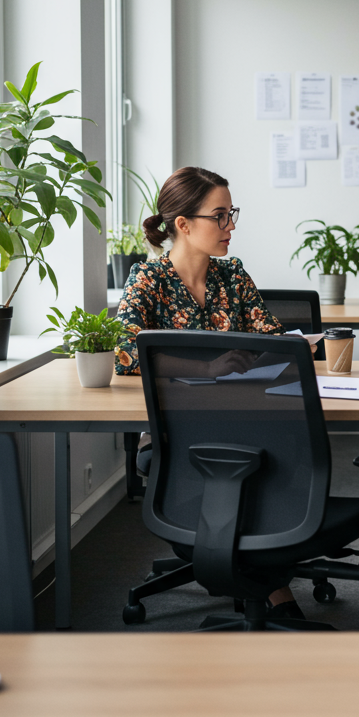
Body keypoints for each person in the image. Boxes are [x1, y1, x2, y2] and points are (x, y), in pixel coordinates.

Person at [115, 165, 312, 622]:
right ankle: (272, 589)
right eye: (219, 216)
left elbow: (274, 338)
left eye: (231, 214)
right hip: (177, 435)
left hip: (249, 422)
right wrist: (205, 366)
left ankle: (262, 580)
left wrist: (282, 348)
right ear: (182, 224)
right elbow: (126, 351)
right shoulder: (149, 279)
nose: (230, 227)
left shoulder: (232, 276)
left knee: (273, 468)